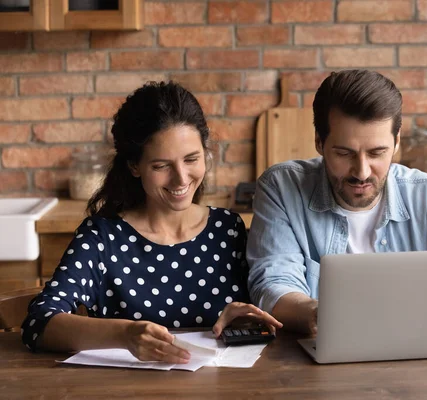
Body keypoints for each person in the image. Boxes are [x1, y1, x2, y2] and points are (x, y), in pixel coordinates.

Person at [246, 69, 427, 335]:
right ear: (319, 142)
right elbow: (272, 285)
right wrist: (319, 314)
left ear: (397, 142)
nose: (362, 172)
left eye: (377, 153)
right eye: (344, 153)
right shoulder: (281, 187)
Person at [22, 81, 281, 364]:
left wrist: (248, 322)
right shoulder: (102, 237)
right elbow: (40, 323)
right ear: (134, 166)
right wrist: (125, 335)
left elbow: (267, 314)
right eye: (161, 166)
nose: (181, 178)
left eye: (191, 159)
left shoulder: (228, 229)